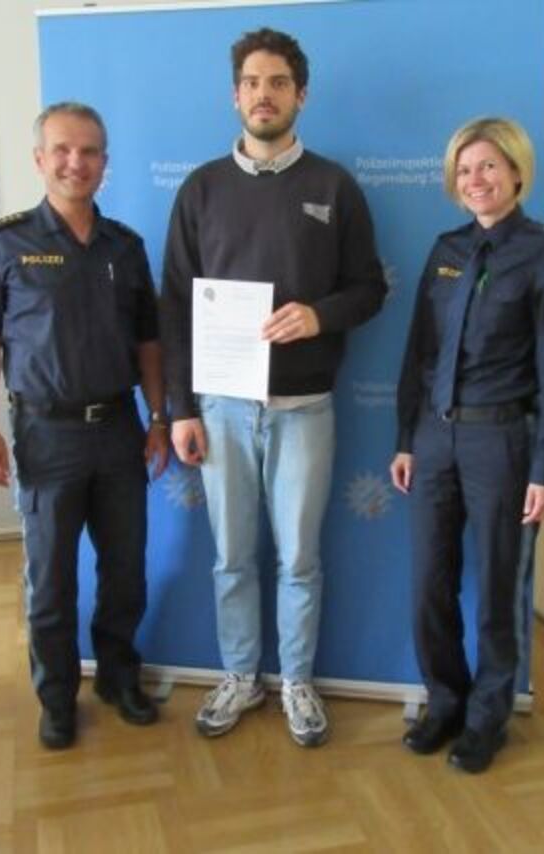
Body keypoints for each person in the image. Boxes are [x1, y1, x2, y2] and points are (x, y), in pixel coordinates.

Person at [161, 28, 386, 747]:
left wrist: (320, 315)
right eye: (253, 83)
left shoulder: (334, 186)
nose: (265, 94)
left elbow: (370, 288)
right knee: (231, 557)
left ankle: (295, 681)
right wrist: (180, 409)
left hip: (304, 408)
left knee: (299, 559)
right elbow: (174, 306)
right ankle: (239, 676)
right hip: (221, 410)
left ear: (300, 95)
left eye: (279, 83)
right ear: (236, 95)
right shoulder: (201, 189)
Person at [0, 102, 169, 750]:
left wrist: (158, 417)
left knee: (125, 570)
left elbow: (149, 342)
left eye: (90, 151)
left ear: (105, 162)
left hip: (119, 429)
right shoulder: (6, 243)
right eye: (64, 150)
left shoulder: (125, 247)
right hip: (45, 436)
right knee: (50, 580)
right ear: (40, 159)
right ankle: (56, 697)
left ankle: (118, 678)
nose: (77, 162)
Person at [390, 117, 544, 773]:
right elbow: (420, 352)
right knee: (429, 585)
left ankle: (486, 718)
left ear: (517, 172)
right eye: (465, 169)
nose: (476, 179)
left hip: (503, 441)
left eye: (489, 166)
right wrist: (407, 439)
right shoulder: (446, 249)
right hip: (435, 439)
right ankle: (444, 701)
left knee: (500, 589)